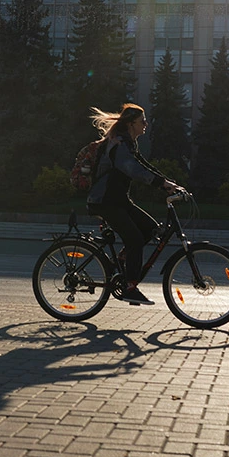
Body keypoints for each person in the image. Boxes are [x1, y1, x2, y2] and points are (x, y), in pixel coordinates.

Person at [85, 104, 185, 306]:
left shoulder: (128, 143)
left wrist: (168, 183)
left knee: (150, 229)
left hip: (118, 201)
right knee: (135, 239)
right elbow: (132, 169)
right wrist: (161, 184)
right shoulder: (119, 144)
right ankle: (130, 287)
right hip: (105, 202)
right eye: (143, 121)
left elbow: (144, 166)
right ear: (132, 124)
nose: (146, 124)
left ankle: (120, 263)